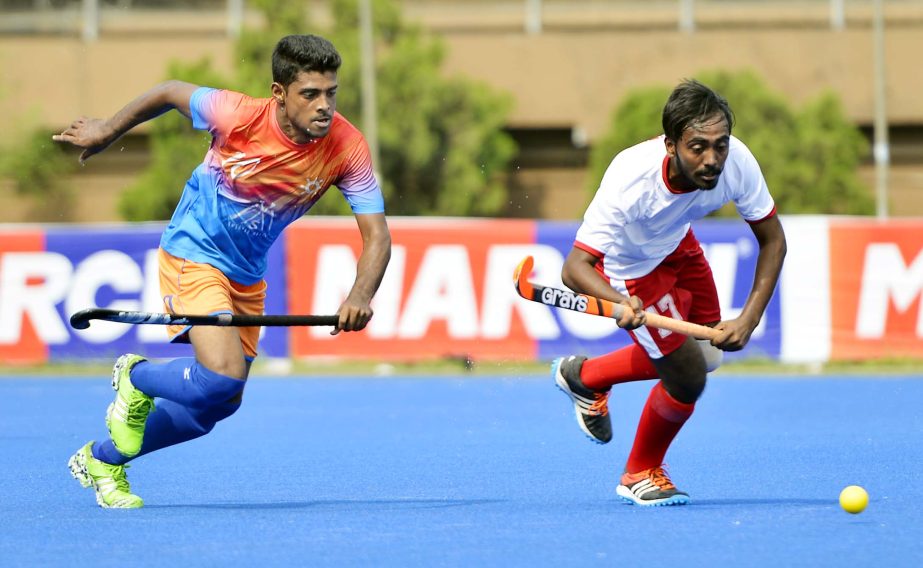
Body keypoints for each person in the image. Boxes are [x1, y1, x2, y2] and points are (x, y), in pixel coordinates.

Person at [54, 34, 392, 508]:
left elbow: (377, 235)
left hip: (247, 275)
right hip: (193, 253)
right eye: (310, 94)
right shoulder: (236, 114)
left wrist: (361, 295)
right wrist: (109, 130)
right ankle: (137, 376)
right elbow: (170, 91)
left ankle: (103, 460)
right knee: (224, 376)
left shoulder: (346, 147)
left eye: (331, 93)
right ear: (280, 94)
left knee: (214, 407)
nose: (324, 106)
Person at [552, 79, 786, 507]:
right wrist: (619, 302)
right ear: (670, 144)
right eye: (698, 147)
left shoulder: (738, 163)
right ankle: (639, 472)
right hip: (630, 270)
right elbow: (574, 268)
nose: (712, 159)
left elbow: (773, 240)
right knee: (688, 376)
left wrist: (748, 320)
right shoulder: (631, 177)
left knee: (709, 355)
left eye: (720, 145)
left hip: (678, 245)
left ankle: (584, 378)